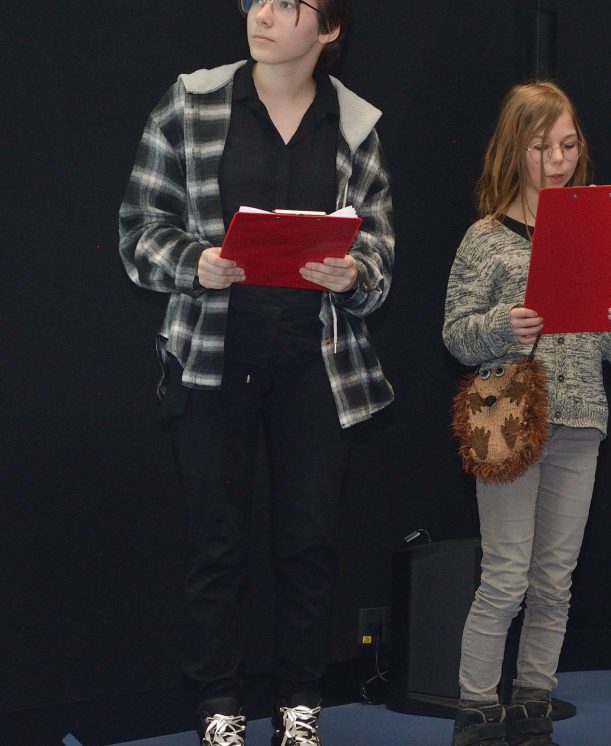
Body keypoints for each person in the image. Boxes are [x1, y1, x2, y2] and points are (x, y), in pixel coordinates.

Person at [118, 0, 394, 743]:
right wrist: (194, 261)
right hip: (214, 357)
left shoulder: (355, 125)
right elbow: (138, 229)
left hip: (317, 362)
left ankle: (300, 704)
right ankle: (219, 707)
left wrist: (354, 275)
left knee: (309, 545)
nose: (263, 15)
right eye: (257, 0)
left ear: (328, 30)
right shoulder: (191, 103)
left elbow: (380, 254)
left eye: (287, 4)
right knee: (217, 544)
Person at [442, 81, 611, 746]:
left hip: (580, 419)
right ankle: (477, 707)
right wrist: (505, 325)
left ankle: (533, 703)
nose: (557, 160)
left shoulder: (595, 232)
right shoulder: (485, 238)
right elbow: (455, 334)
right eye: (540, 146)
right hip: (506, 419)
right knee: (506, 575)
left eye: (568, 145)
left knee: (554, 578)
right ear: (513, 149)